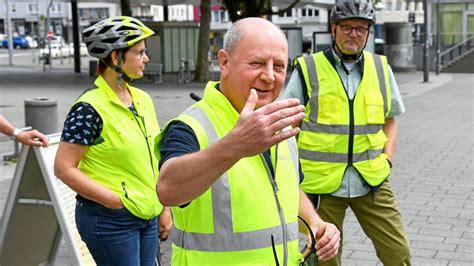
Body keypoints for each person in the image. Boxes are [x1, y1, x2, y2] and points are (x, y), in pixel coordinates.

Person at [156, 17, 340, 265]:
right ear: (224, 62)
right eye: (257, 63)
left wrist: (315, 225)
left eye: (279, 66)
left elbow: (285, 190)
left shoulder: (279, 123)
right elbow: (168, 190)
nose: (269, 76)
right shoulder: (190, 125)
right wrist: (234, 146)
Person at [281, 0, 411, 265]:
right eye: (348, 27)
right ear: (334, 29)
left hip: (372, 181)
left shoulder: (381, 69)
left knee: (398, 254)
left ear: (368, 32)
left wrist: (387, 159)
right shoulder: (308, 69)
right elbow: (289, 123)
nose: (354, 34)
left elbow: (390, 120)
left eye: (361, 28)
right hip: (321, 186)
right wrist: (289, 171)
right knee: (323, 259)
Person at [54, 16, 171, 266]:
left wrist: (164, 207)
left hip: (146, 212)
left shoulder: (142, 99)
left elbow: (154, 157)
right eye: (139, 53)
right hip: (110, 219)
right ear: (116, 58)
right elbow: (63, 168)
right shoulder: (88, 108)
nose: (146, 59)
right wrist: (114, 201)